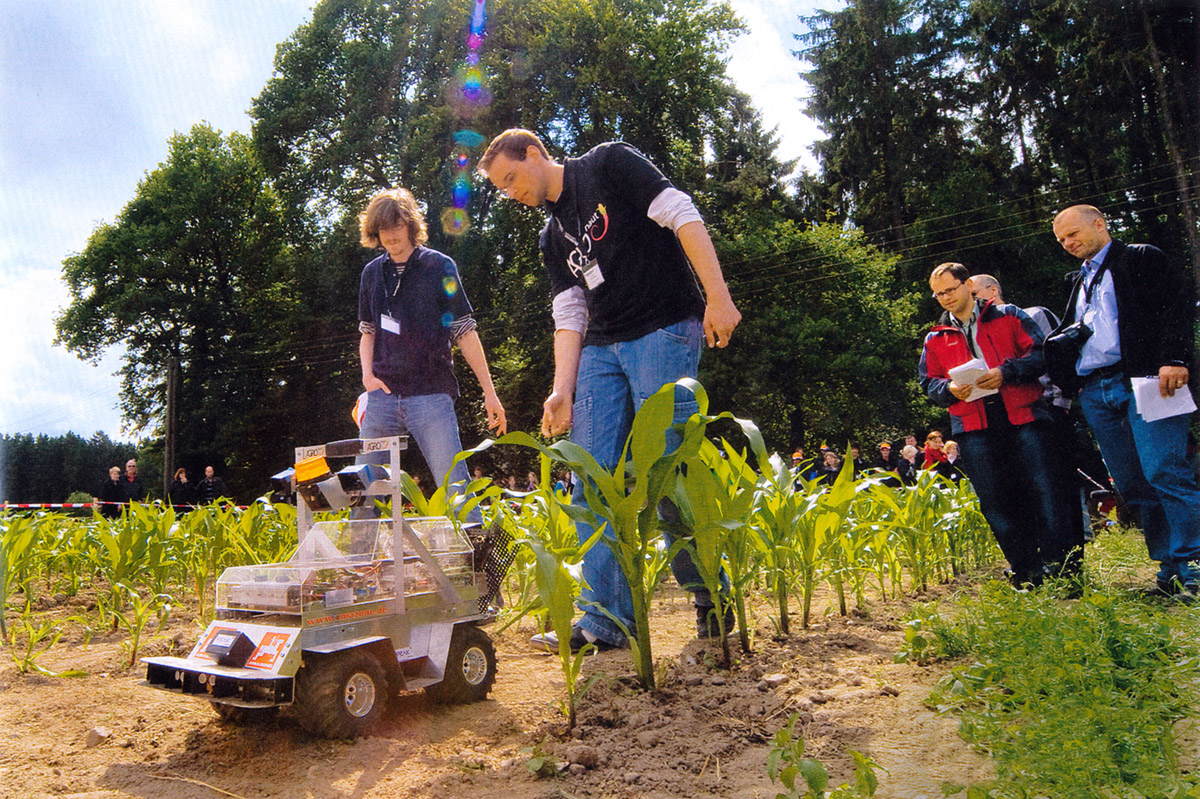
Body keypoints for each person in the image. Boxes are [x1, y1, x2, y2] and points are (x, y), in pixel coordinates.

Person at [479, 128, 742, 651]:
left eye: (511, 178)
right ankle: (605, 620)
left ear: (534, 154)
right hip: (601, 347)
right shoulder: (551, 236)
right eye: (502, 189)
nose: (511, 193)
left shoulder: (609, 164)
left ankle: (710, 593)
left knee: (665, 470)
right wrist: (561, 390)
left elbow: (680, 210)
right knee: (590, 476)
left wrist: (718, 295)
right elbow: (569, 313)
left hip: (662, 328)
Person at [1051, 204, 1200, 595]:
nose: (1068, 243)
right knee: (1132, 484)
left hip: (1150, 379)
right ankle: (1169, 569)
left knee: (1165, 471)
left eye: (1073, 234)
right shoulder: (1077, 281)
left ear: (1099, 224)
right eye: (1061, 239)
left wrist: (1176, 358)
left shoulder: (1140, 257)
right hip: (1096, 389)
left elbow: (1177, 309)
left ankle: (1195, 565)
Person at [919, 261, 1081, 587]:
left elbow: (1041, 355)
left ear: (967, 285)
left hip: (1024, 414)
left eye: (950, 289)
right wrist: (949, 389)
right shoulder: (934, 337)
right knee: (996, 500)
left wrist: (1006, 372)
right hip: (973, 424)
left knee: (1046, 491)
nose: (945, 298)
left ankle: (1063, 572)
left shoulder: (1010, 315)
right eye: (938, 294)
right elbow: (928, 383)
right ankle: (1026, 571)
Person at [354, 188, 507, 525]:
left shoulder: (440, 267)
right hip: (381, 396)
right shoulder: (370, 275)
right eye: (383, 229)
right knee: (364, 490)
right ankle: (359, 569)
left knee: (455, 485)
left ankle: (477, 565)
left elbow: (465, 330)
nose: (391, 235)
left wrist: (490, 393)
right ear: (374, 232)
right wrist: (368, 377)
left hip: (431, 394)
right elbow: (367, 331)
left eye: (397, 226)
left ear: (411, 225)